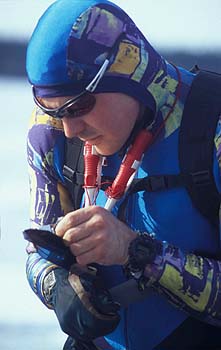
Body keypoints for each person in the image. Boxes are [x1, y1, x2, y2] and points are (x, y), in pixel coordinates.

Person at [25, 0, 221, 349]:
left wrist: (136, 251)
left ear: (126, 76)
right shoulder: (49, 134)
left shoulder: (214, 133)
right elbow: (36, 251)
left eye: (79, 106)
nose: (70, 129)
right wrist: (59, 286)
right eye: (52, 109)